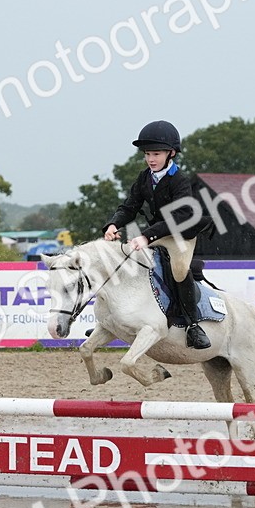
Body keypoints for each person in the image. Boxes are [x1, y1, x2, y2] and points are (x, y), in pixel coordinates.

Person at [103, 120, 212, 349]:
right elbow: (130, 206)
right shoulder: (145, 178)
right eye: (147, 154)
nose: (151, 159)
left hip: (181, 234)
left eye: (156, 154)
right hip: (156, 233)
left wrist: (147, 237)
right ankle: (116, 321)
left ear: (170, 153)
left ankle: (193, 325)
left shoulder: (179, 180)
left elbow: (180, 216)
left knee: (179, 272)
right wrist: (113, 224)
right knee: (129, 259)